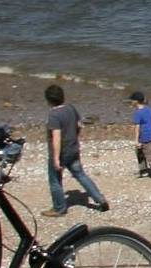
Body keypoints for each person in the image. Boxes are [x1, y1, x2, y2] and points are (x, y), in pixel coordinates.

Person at [41, 83, 108, 217]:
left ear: (48, 100)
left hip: (62, 153)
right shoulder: (71, 108)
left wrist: (55, 158)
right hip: (73, 149)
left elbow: (56, 138)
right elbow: (79, 125)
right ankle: (100, 199)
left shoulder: (54, 115)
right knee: (80, 175)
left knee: (55, 180)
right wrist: (74, 136)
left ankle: (59, 208)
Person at [127, 89, 151, 179]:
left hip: (143, 135)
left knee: (150, 154)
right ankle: (143, 170)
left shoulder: (138, 113)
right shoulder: (149, 109)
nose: (131, 102)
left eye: (132, 100)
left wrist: (136, 140)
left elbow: (137, 127)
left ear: (136, 101)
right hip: (150, 133)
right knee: (140, 151)